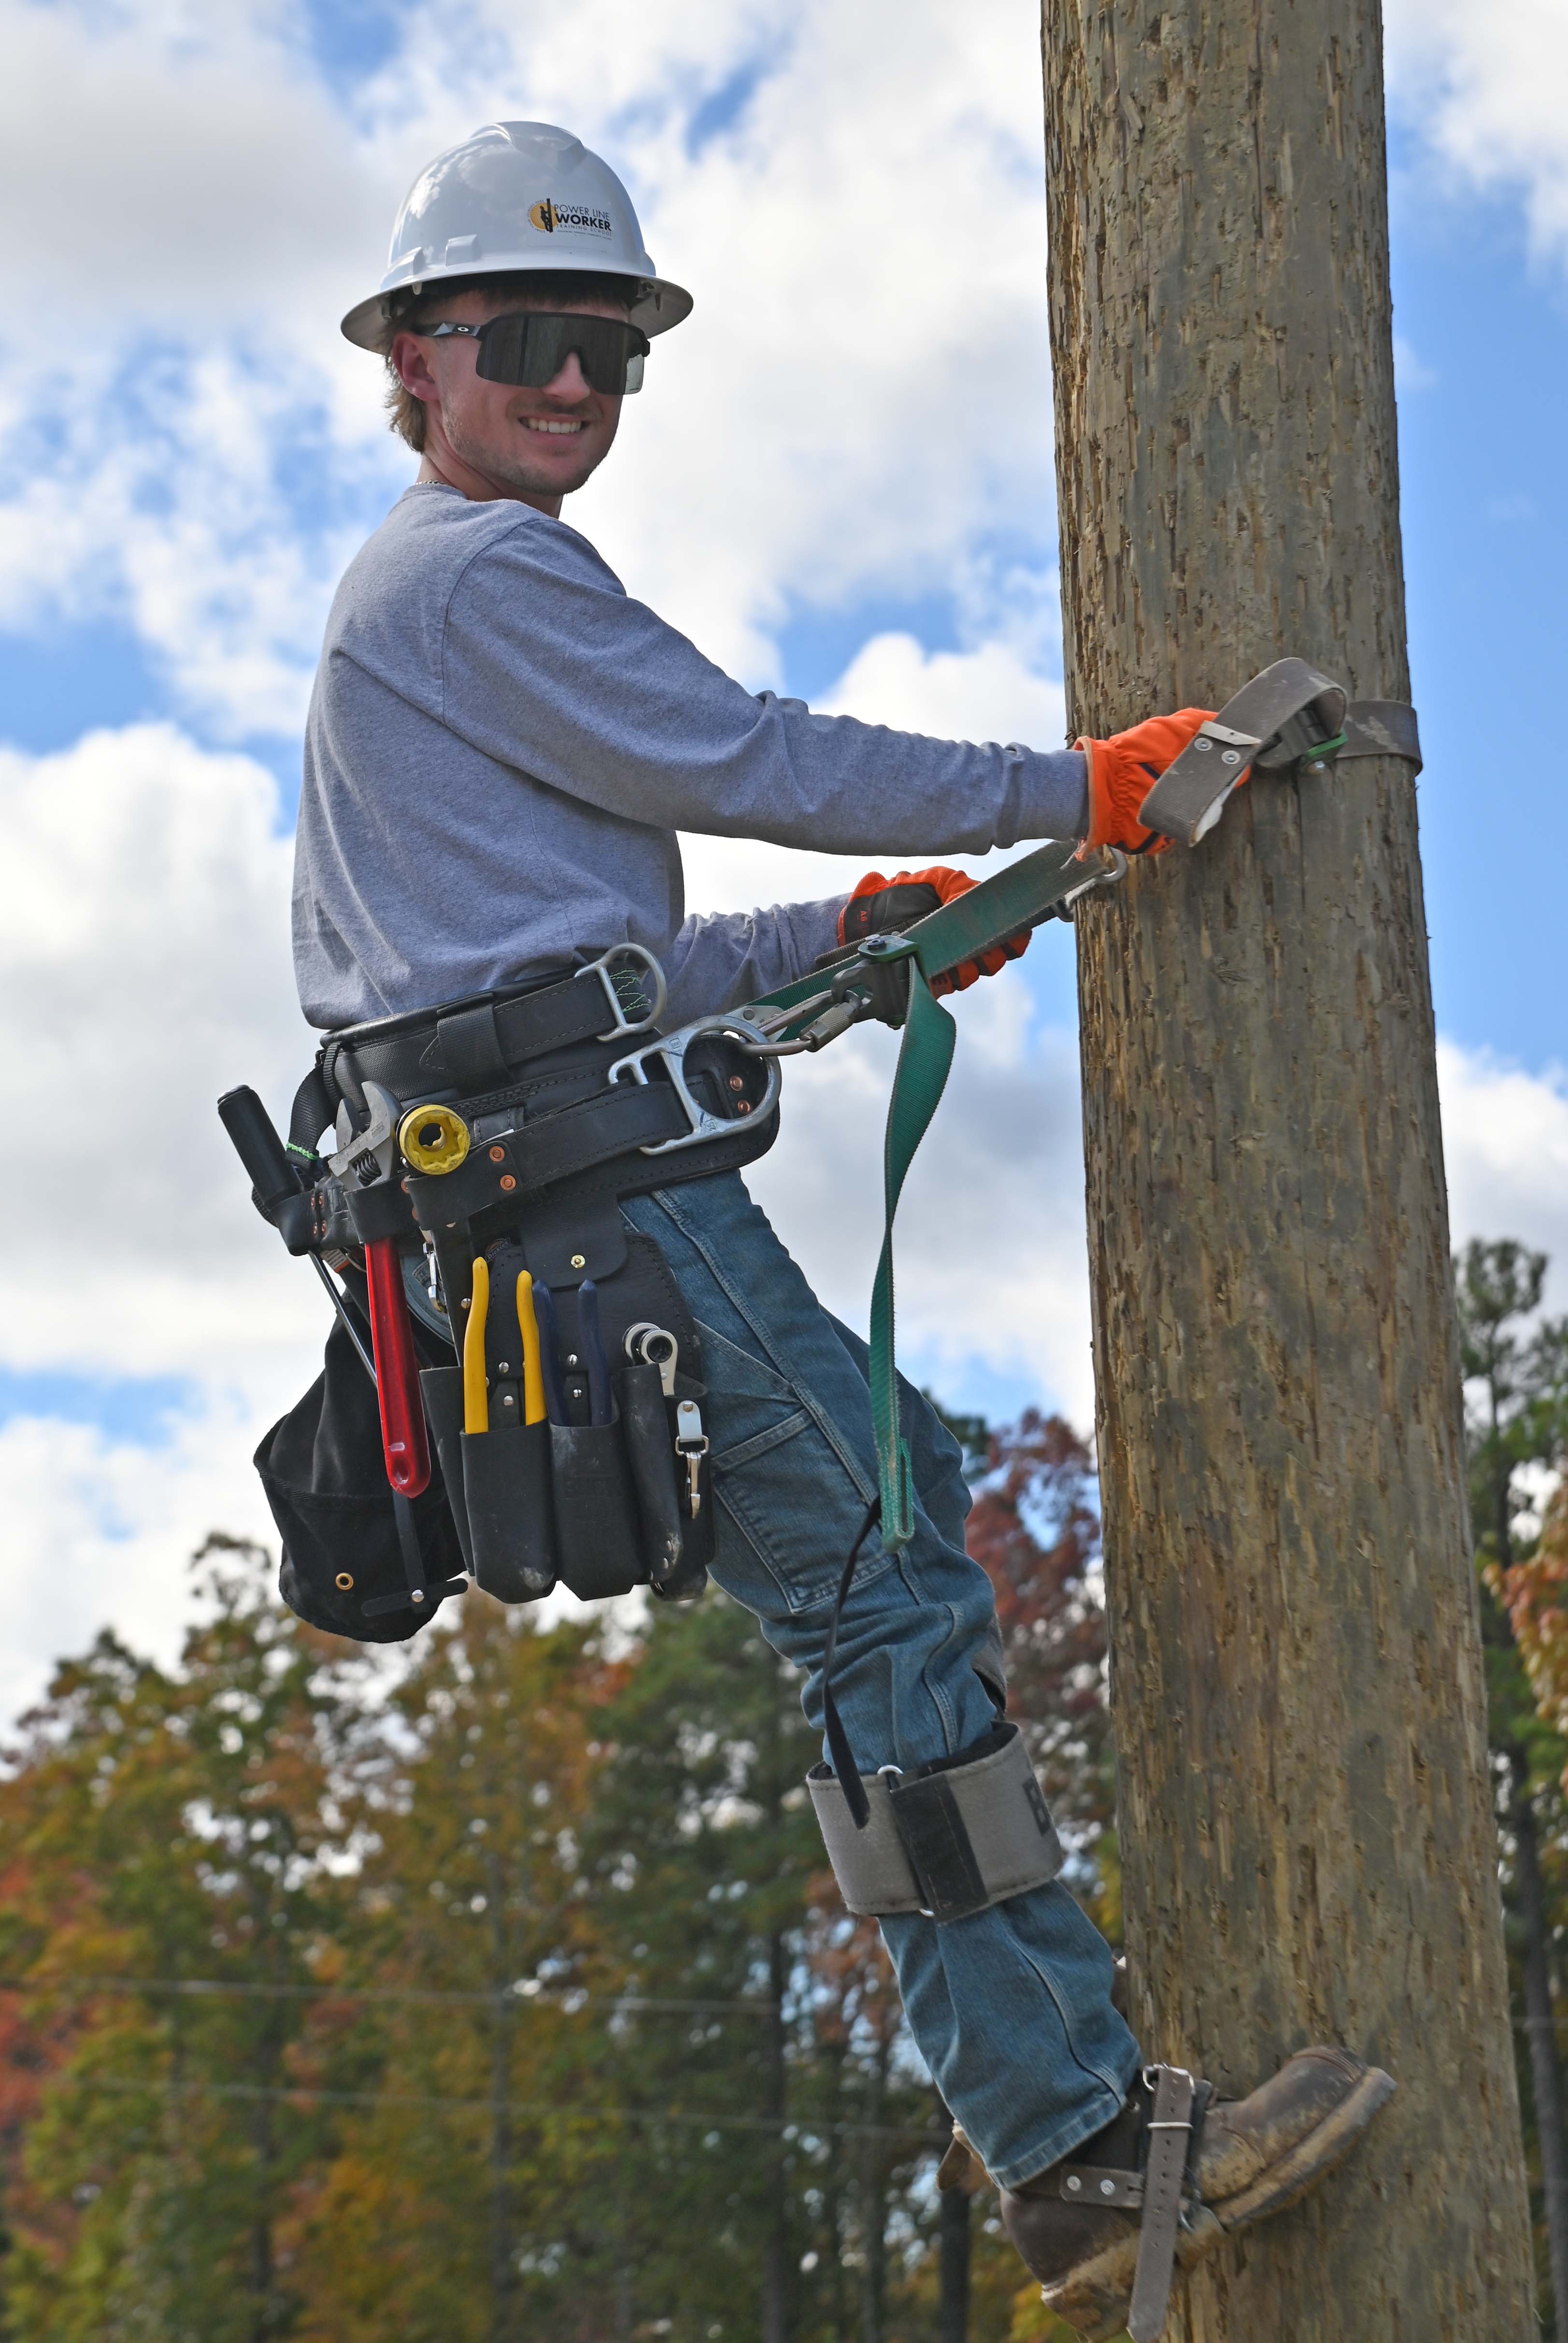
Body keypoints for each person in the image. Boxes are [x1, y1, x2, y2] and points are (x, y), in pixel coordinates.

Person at [295, 119, 1391, 2335]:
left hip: (535, 1197)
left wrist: (868, 935)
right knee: (880, 1585)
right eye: (525, 340)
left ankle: (1060, 2117)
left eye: (608, 352)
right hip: (587, 1210)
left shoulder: (433, 625)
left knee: (871, 1559)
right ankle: (1076, 2133)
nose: (572, 389)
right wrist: (1056, 787)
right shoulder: (470, 579)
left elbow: (595, 957)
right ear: (413, 357)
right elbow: (742, 751)